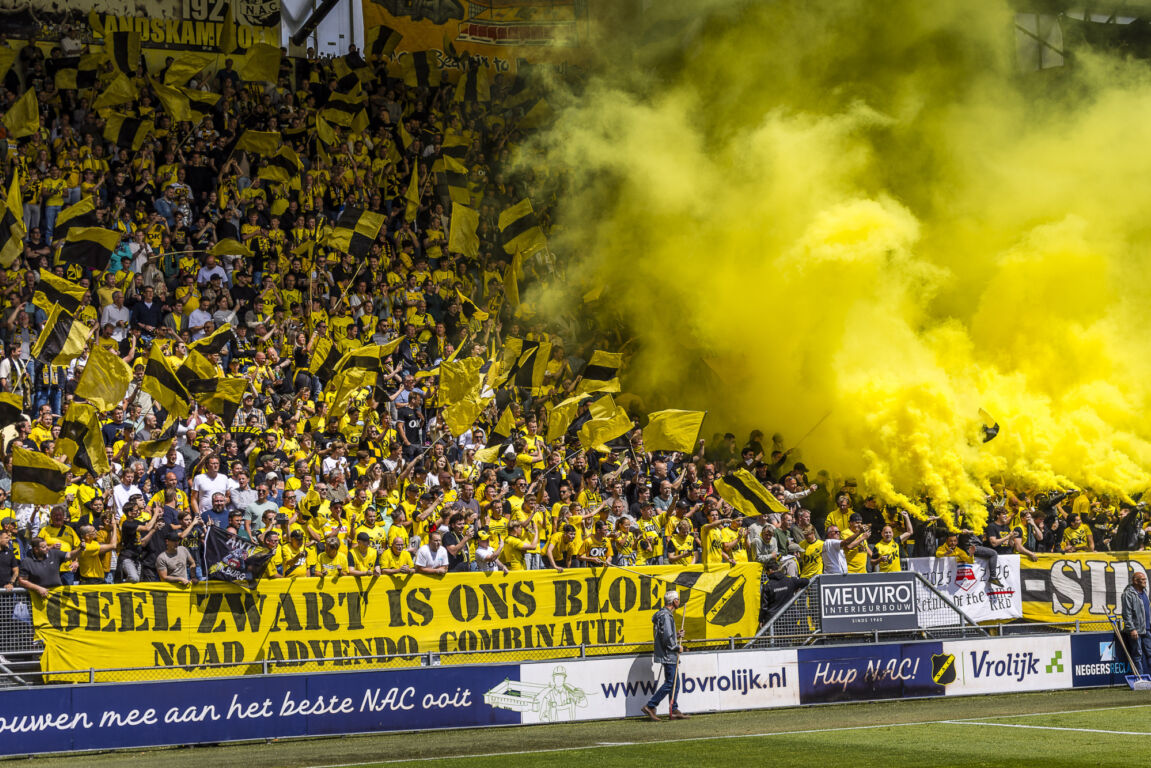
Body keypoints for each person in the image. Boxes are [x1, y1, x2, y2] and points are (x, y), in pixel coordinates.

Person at [641, 590, 688, 722]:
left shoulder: (662, 615)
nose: (679, 601)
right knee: (671, 683)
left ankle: (674, 709)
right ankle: (651, 706)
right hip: (669, 654)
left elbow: (666, 634)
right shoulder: (666, 616)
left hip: (667, 653)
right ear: (674, 601)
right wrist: (676, 646)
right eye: (678, 599)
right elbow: (667, 637)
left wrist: (677, 635)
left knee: (675, 683)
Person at [1121, 571, 1151, 675]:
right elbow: (1126, 613)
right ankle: (1140, 678)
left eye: (1145, 580)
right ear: (1135, 581)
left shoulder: (1144, 592)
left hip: (1147, 629)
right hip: (1136, 630)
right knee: (1137, 655)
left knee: (1150, 653)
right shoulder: (1128, 594)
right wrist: (1132, 629)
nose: (1145, 582)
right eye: (1142, 580)